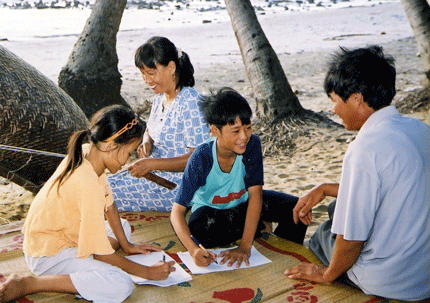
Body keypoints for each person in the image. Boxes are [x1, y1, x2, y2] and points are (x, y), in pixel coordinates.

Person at [284, 46, 430, 301]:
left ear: (356, 98)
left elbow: (351, 241)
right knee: (336, 207)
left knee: (324, 233)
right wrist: (325, 188)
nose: (333, 110)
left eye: (334, 101)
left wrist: (327, 275)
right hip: (424, 273)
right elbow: (392, 190)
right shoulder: (419, 129)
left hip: (392, 280)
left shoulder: (364, 148)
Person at [0, 105, 176, 303]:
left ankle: (88, 251)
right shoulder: (87, 182)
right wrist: (147, 272)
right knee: (121, 284)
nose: (128, 160)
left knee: (123, 226)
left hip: (55, 238)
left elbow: (109, 205)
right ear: (111, 146)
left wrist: (127, 246)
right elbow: (102, 255)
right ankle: (30, 283)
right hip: (48, 255)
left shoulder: (87, 153)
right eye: (129, 152)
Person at [170, 88, 308, 268]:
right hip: (211, 212)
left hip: (243, 204)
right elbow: (177, 212)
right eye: (235, 131)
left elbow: (255, 195)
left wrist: (245, 246)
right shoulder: (202, 156)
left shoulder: (252, 145)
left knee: (297, 209)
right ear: (215, 131)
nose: (244, 136)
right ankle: (257, 228)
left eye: (248, 128)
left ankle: (278, 250)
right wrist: (193, 249)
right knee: (200, 230)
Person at [108, 36, 209, 212]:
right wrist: (147, 142)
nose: (146, 80)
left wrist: (153, 164)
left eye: (151, 73)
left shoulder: (191, 103)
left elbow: (198, 161)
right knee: (104, 184)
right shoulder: (159, 99)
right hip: (154, 176)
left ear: (171, 67)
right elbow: (150, 129)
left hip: (178, 186)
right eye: (143, 74)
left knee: (105, 194)